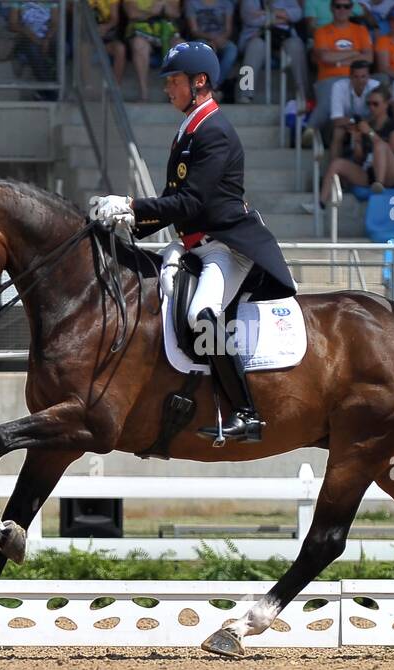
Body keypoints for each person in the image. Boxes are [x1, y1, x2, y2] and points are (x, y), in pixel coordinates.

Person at [96, 42, 297, 443]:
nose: (168, 88)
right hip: (194, 246)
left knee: (201, 316)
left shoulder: (215, 130)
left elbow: (191, 201)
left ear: (199, 81)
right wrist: (130, 222)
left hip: (226, 248)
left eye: (174, 80)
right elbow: (181, 201)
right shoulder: (191, 127)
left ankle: (247, 413)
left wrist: (133, 208)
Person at [313, 85, 394, 205]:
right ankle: (320, 204)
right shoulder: (367, 125)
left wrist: (370, 133)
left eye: (375, 104)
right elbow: (359, 159)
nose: (372, 108)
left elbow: (392, 151)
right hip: (369, 171)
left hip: (392, 173)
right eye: (369, 104)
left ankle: (380, 187)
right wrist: (357, 140)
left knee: (380, 146)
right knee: (337, 163)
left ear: (386, 104)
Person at [309, 0, 374, 134]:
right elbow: (325, 57)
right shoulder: (321, 31)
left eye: (346, 6)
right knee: (327, 103)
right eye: (338, 6)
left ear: (351, 9)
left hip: (356, 78)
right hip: (329, 78)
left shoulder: (360, 30)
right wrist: (354, 53)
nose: (342, 9)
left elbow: (369, 58)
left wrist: (338, 61)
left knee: (380, 90)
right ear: (331, 8)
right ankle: (309, 131)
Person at [239, 0, 309, 103]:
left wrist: (265, 14)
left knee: (296, 45)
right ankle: (245, 94)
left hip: (283, 36)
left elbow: (297, 14)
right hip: (257, 36)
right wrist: (280, 16)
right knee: (255, 46)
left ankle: (303, 94)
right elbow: (250, 18)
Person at [125, 0, 184, 102]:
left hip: (166, 31)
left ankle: (175, 91)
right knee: (139, 44)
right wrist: (152, 11)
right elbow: (132, 13)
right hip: (141, 31)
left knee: (180, 45)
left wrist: (164, 4)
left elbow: (176, 13)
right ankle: (144, 92)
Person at [184, 0, 239, 94]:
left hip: (222, 38)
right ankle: (206, 88)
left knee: (232, 49)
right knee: (204, 49)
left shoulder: (226, 3)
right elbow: (194, 30)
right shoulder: (192, 3)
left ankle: (213, 85)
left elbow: (228, 30)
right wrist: (211, 39)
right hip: (201, 39)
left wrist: (221, 39)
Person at [91, 0, 128, 89]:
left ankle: (115, 88)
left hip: (105, 36)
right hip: (86, 38)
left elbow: (114, 19)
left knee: (120, 48)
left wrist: (105, 27)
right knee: (83, 47)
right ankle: (88, 86)